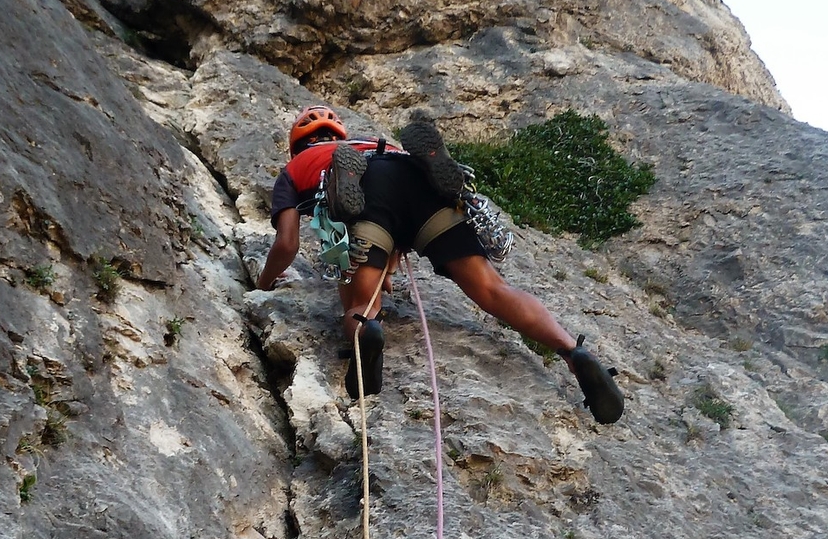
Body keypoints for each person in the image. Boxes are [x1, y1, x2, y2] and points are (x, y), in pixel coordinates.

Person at [256, 105, 625, 423]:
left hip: (366, 194)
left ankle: (367, 333)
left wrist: (264, 282)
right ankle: (571, 351)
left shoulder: (295, 169)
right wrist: (393, 254)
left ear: (296, 147)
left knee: (362, 304)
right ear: (339, 134)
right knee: (492, 288)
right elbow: (397, 213)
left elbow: (287, 243)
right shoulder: (369, 143)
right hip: (414, 180)